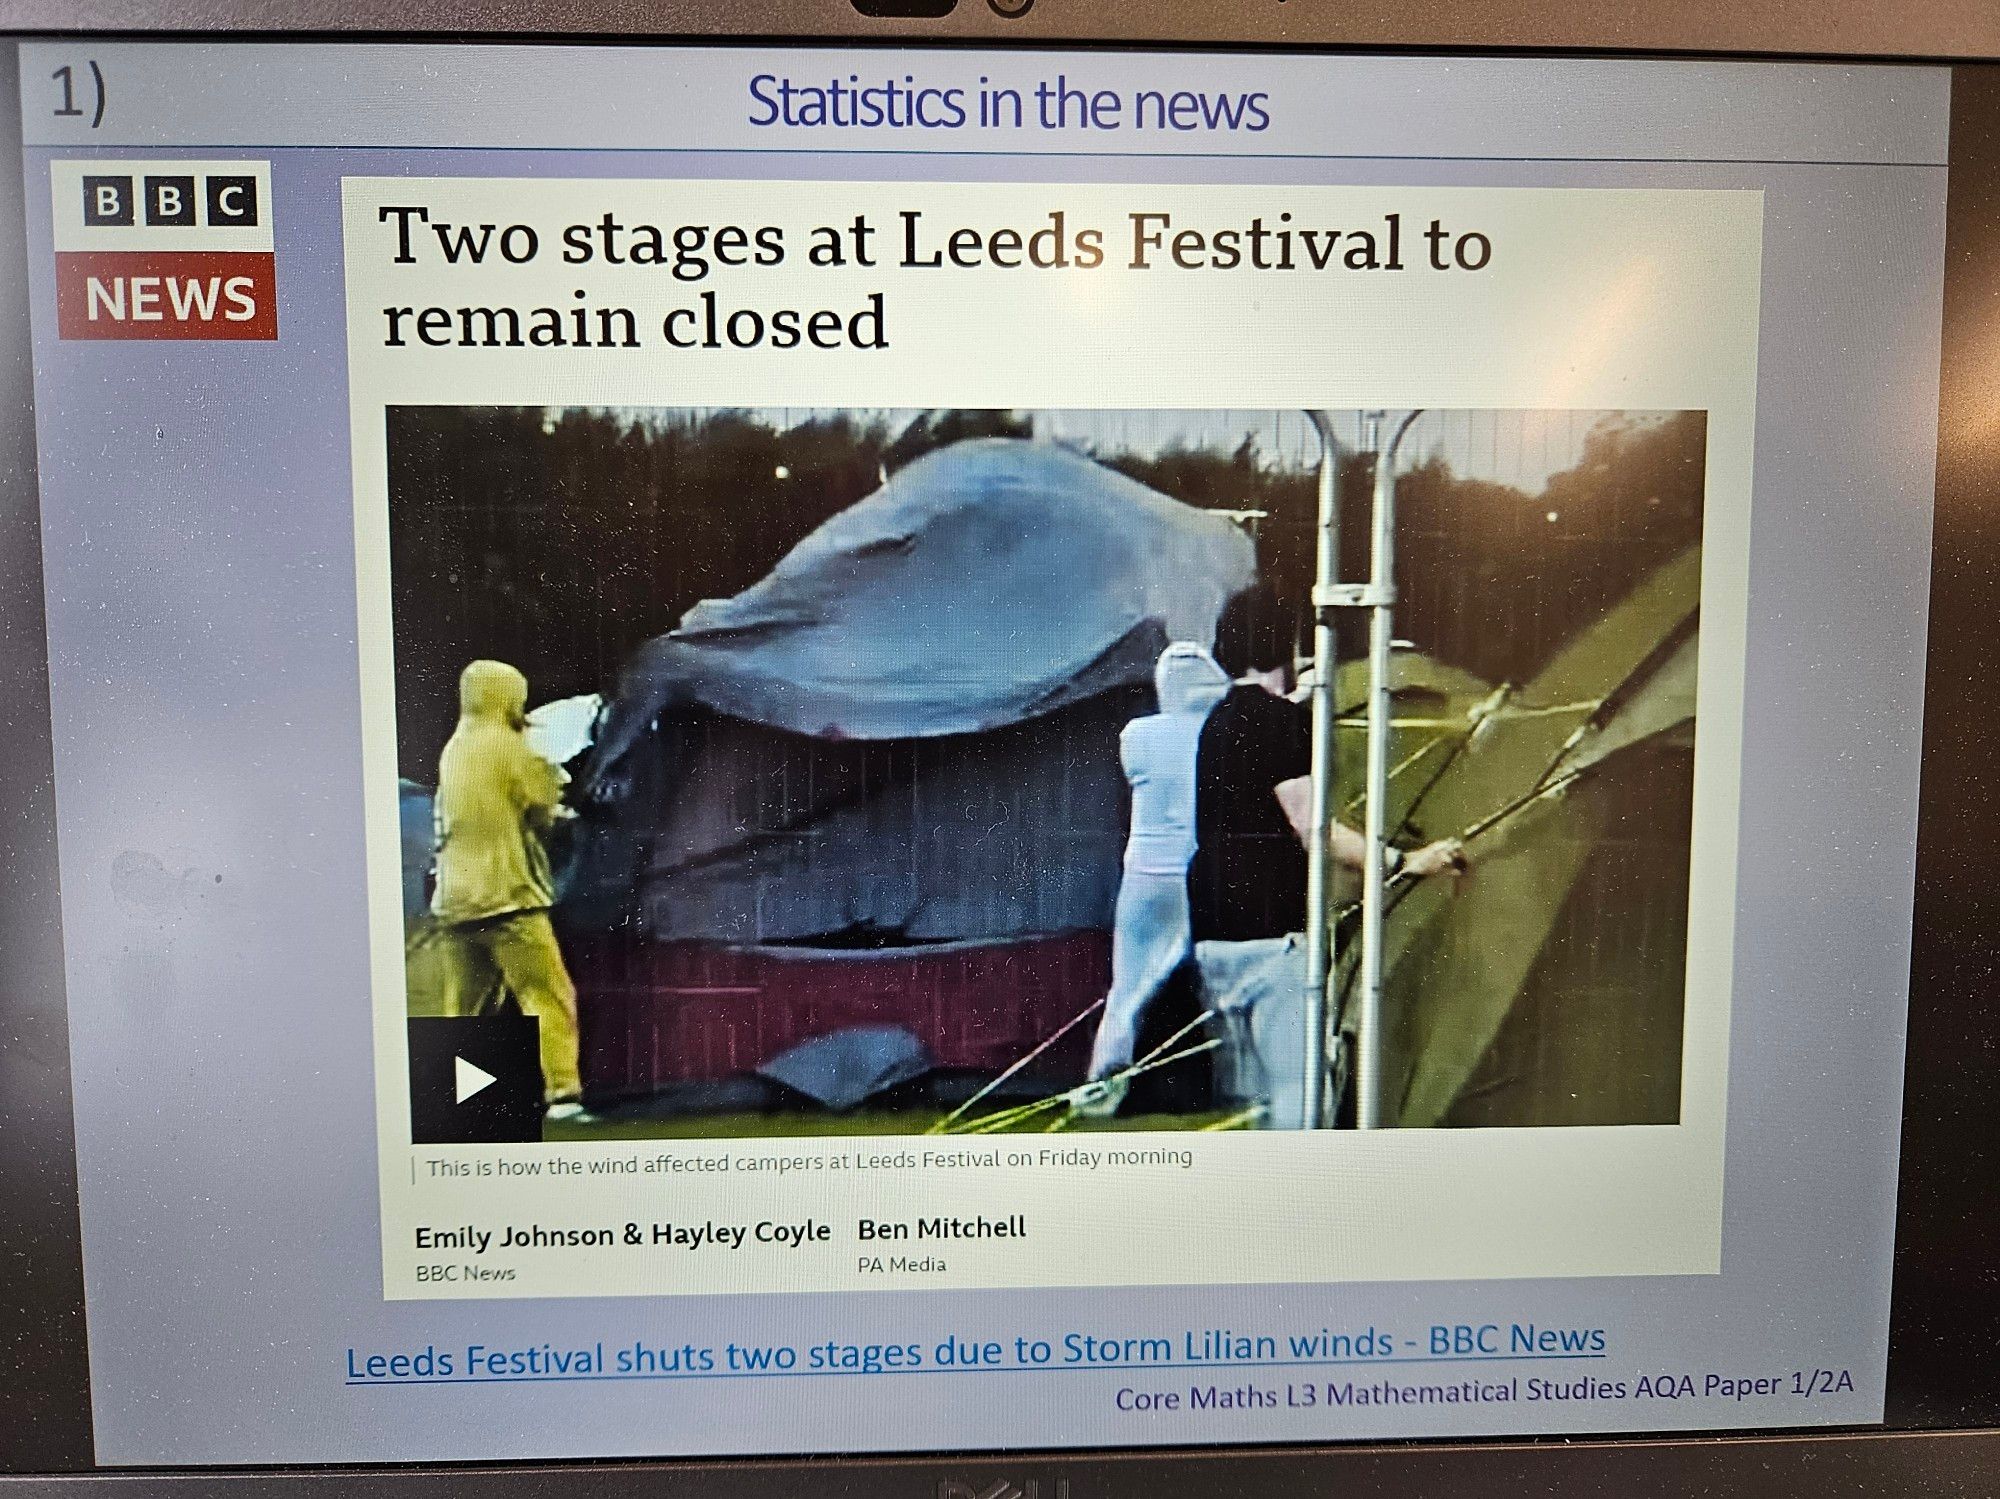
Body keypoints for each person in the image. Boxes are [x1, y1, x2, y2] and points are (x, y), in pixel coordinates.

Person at [1188, 585, 1461, 947]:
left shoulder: (1218, 721)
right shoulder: (1279, 721)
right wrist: (1403, 862)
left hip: (1215, 929)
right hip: (1269, 932)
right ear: (1283, 644)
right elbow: (1314, 827)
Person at [430, 659, 588, 1122]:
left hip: (456, 902)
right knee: (546, 995)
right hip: (508, 895)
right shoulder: (509, 747)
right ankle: (563, 1096)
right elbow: (542, 803)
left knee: (466, 1009)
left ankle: (461, 1106)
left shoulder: (455, 748)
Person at [1083, 642, 1233, 1096]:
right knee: (1217, 985)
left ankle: (1102, 1085)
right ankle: (1226, 1085)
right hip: (1198, 872)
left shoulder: (1137, 735)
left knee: (1127, 988)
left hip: (1145, 875)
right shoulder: (1221, 730)